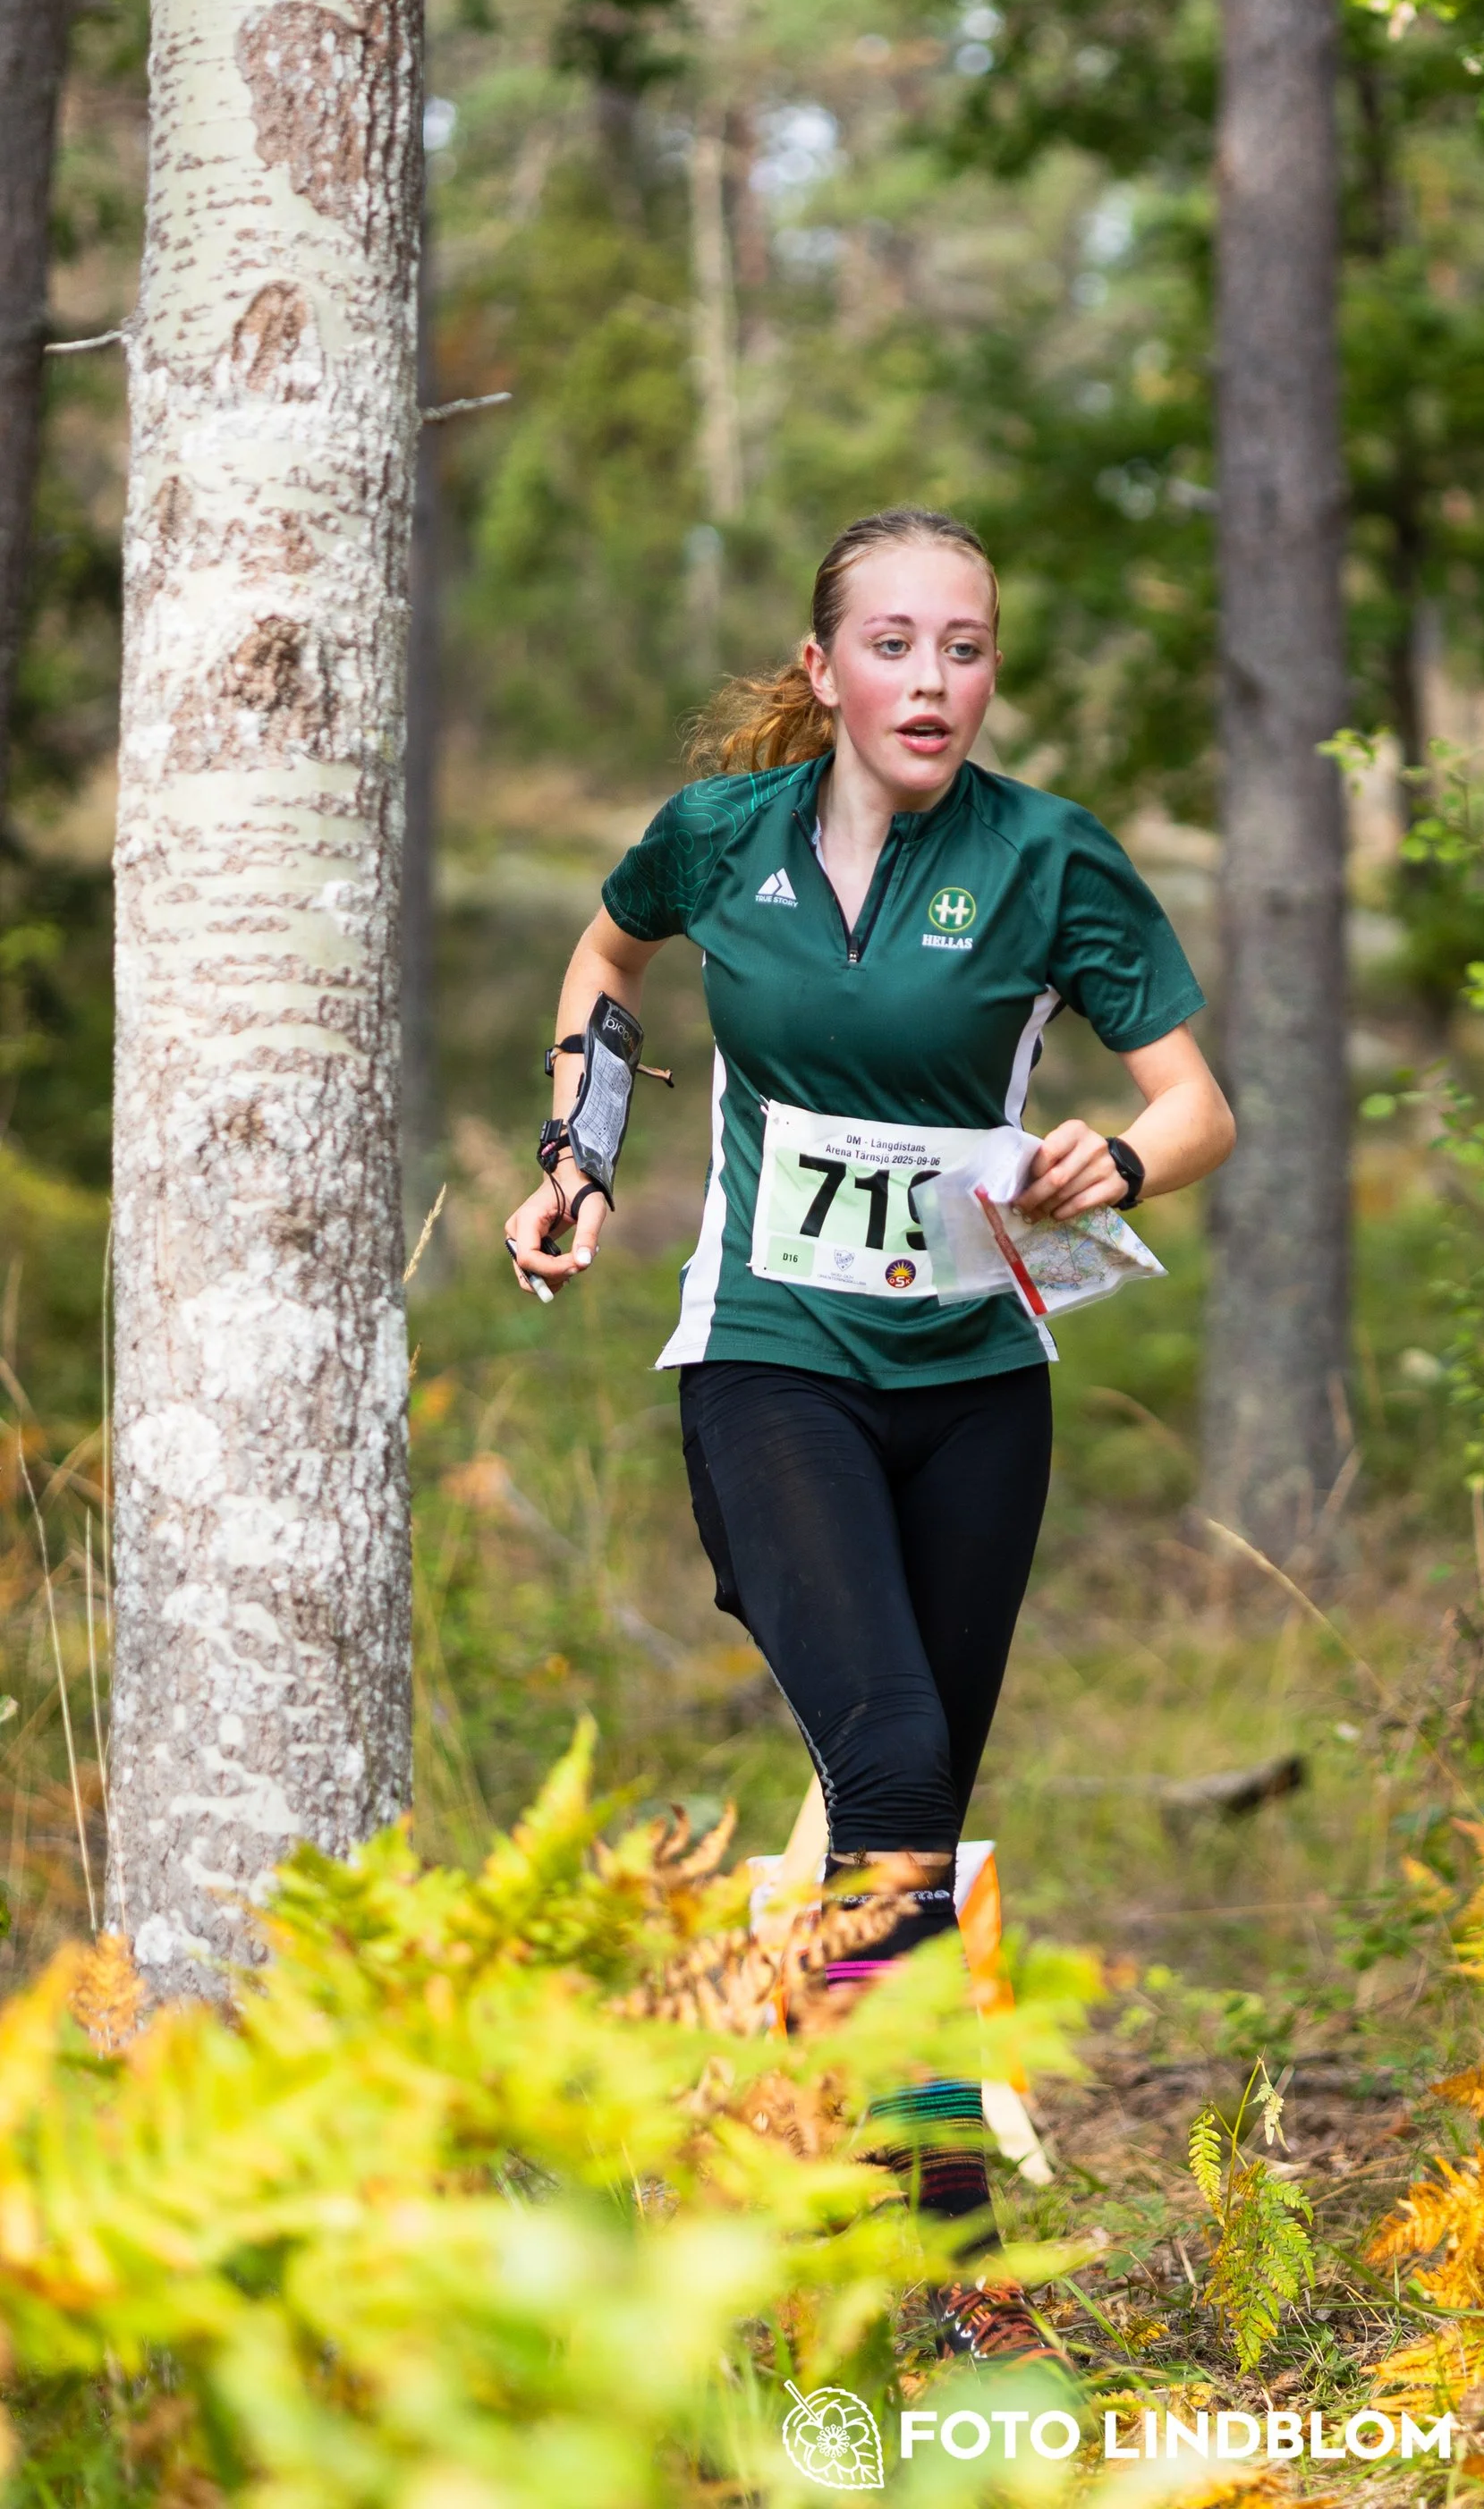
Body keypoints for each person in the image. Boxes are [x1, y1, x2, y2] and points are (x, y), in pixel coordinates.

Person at [504, 506, 1234, 2361]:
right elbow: (604, 964)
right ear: (822, 669)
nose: (930, 680)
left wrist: (1119, 1157)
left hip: (981, 1383)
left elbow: (1198, 1099)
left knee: (896, 1817)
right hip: (769, 1355)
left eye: (965, 646)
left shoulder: (1049, 855)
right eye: (893, 644)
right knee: (892, 1753)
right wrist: (579, 1157)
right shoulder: (718, 838)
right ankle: (926, 2243)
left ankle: (735, 2117)